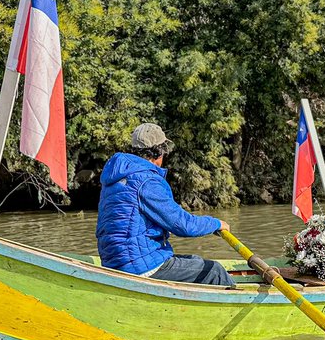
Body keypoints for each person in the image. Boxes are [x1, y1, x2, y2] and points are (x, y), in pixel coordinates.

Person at [96, 123, 235, 287]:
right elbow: (183, 225)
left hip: (113, 262)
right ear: (159, 152)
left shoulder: (115, 178)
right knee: (214, 270)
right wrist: (216, 224)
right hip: (138, 265)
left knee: (195, 261)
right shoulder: (147, 181)